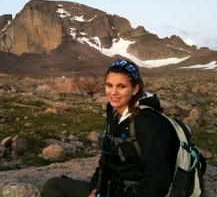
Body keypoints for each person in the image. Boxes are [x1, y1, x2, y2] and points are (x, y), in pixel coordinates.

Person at [41, 59, 177, 197]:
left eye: (121, 86)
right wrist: (95, 190)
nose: (113, 92)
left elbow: (158, 182)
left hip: (135, 193)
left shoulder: (148, 122)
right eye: (109, 85)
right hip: (111, 189)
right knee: (53, 187)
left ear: (135, 89)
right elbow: (105, 163)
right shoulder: (114, 115)